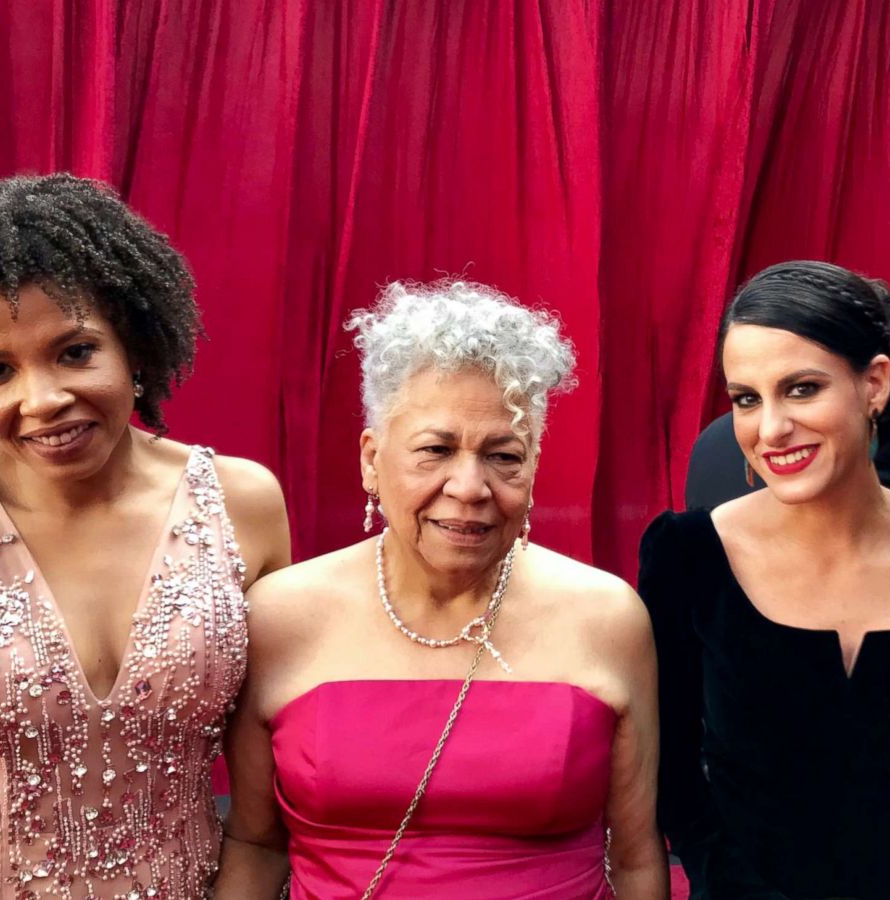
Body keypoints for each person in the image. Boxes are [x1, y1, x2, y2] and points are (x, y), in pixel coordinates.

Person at [0, 173, 293, 900]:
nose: (41, 400)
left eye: (74, 352)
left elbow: (269, 742)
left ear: (133, 344)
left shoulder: (241, 503)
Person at [212, 280, 667, 900]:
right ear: (372, 459)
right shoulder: (278, 615)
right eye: (436, 449)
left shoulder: (606, 615)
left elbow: (638, 860)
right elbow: (255, 845)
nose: (471, 486)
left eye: (504, 456)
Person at [640, 260, 890, 898]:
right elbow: (670, 781)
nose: (769, 429)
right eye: (747, 398)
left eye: (801, 388)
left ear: (875, 384)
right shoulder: (688, 556)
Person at [684, 280, 890, 510]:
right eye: (805, 388)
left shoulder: (710, 440)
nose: (771, 432)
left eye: (803, 390)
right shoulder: (881, 447)